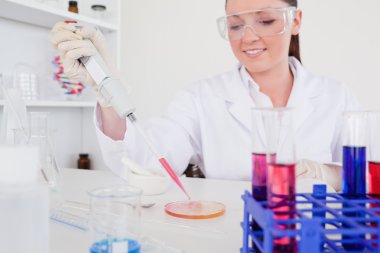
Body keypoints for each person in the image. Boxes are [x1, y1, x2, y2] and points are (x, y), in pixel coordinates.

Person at [50, 0, 360, 190]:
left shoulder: (335, 96)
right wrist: (110, 91)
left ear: (296, 20)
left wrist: (331, 175)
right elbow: (145, 160)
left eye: (265, 21)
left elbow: (371, 177)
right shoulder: (202, 98)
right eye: (236, 25)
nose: (249, 37)